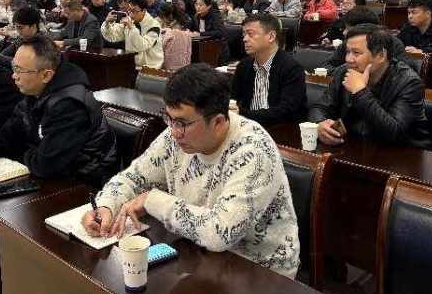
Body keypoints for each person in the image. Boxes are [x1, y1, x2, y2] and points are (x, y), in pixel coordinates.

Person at [82, 64, 299, 279]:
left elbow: (220, 233)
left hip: (260, 274)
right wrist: (106, 206)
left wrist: (152, 200)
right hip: (199, 253)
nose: (174, 132)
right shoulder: (177, 136)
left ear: (218, 122)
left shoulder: (253, 151)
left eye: (182, 123)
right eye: (169, 118)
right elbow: (133, 178)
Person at [0, 36, 119, 186]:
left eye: (19, 70)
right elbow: (10, 132)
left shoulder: (70, 105)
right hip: (57, 178)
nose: (14, 76)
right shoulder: (35, 91)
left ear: (46, 75)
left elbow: (45, 165)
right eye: (14, 67)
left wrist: (18, 149)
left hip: (87, 184)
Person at [309, 24, 431, 148]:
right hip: (353, 147)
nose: (349, 59)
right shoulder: (343, 72)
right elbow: (320, 108)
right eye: (348, 52)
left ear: (381, 56)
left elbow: (394, 133)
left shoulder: (409, 82)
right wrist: (320, 124)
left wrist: (360, 92)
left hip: (400, 154)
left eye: (356, 53)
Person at [231, 13, 307, 127]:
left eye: (250, 34)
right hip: (250, 129)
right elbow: (232, 97)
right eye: (244, 34)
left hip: (282, 130)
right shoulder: (244, 65)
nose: (245, 39)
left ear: (271, 36)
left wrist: (241, 114)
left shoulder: (292, 68)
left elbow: (285, 111)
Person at [322, 7, 407, 74]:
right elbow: (326, 66)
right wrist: (350, 73)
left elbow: (400, 73)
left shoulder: (394, 44)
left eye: (348, 29)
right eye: (348, 52)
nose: (344, 32)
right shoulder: (349, 44)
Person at [101, 0, 164, 68]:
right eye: (130, 10)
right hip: (131, 63)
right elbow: (113, 36)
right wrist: (107, 23)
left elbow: (142, 46)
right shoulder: (130, 20)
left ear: (144, 10)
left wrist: (131, 28)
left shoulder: (154, 26)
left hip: (150, 66)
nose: (131, 14)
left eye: (135, 11)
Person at [194, 0, 230, 65]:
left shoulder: (215, 16)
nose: (198, 7)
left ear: (209, 6)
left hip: (217, 50)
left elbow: (220, 32)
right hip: (202, 48)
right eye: (196, 5)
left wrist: (200, 34)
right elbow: (188, 28)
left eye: (201, 5)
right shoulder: (196, 17)